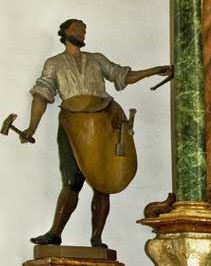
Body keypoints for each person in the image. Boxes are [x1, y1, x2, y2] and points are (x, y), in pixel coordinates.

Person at [20, 19, 171, 247]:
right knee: (71, 182)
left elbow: (123, 76)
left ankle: (97, 238)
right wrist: (31, 128)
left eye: (84, 29)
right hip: (73, 124)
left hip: (103, 122)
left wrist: (154, 71)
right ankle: (54, 233)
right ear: (65, 32)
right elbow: (41, 96)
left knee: (104, 181)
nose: (82, 32)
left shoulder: (96, 59)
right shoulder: (54, 63)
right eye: (76, 28)